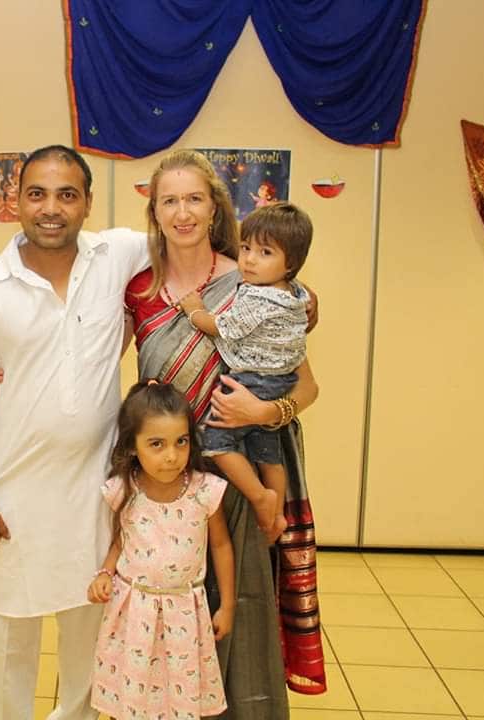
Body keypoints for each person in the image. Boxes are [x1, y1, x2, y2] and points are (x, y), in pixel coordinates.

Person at [0, 144, 151, 720]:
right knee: (9, 643)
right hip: (9, 496)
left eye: (66, 194)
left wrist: (291, 296)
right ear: (17, 201)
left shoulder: (119, 254)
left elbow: (198, 250)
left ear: (86, 204)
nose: (51, 208)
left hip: (93, 495)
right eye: (37, 193)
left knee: (90, 640)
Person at [127, 149, 326, 710]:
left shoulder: (256, 282)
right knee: (163, 619)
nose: (183, 212)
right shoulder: (139, 289)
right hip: (165, 485)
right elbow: (86, 361)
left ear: (215, 208)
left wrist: (267, 414)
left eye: (195, 198)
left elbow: (306, 387)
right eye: (170, 200)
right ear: (155, 210)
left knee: (239, 612)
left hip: (237, 482)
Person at [88, 381, 234, 719]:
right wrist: (105, 573)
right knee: (131, 694)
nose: (171, 455)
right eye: (157, 444)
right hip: (133, 613)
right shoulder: (125, 489)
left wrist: (226, 605)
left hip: (185, 612)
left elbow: (222, 546)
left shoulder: (204, 491)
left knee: (181, 697)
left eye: (181, 442)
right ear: (132, 445)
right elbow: (121, 539)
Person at [180, 202, 313, 543]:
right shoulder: (297, 294)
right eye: (246, 248)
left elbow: (223, 327)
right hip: (279, 382)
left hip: (251, 380)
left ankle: (259, 496)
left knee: (214, 439)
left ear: (290, 264)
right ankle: (278, 514)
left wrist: (195, 311)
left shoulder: (258, 298)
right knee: (267, 447)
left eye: (265, 252)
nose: (250, 259)